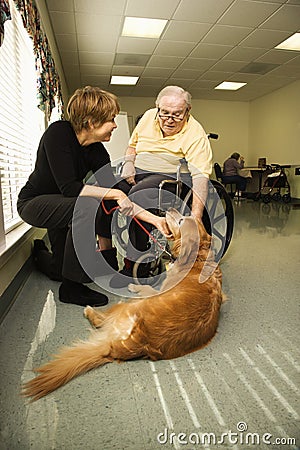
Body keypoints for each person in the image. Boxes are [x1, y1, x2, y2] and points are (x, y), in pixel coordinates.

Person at [17, 86, 171, 307]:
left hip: (64, 208)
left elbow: (116, 191)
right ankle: (71, 289)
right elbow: (70, 188)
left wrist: (155, 219)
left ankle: (39, 253)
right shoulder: (58, 133)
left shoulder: (96, 150)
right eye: (111, 119)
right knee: (87, 205)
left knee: (58, 269)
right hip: (34, 203)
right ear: (90, 122)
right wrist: (115, 193)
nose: (115, 125)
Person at [110, 85, 213, 288]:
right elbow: (133, 145)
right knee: (103, 193)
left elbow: (200, 178)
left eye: (177, 115)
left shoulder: (196, 134)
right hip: (136, 171)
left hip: (166, 178)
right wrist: (129, 163)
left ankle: (133, 265)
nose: (169, 119)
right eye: (164, 113)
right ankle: (104, 254)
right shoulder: (149, 116)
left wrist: (196, 218)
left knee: (138, 196)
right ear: (157, 108)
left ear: (187, 111)